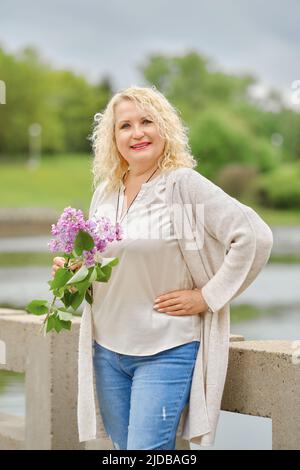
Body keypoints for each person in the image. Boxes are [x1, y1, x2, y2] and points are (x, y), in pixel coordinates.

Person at [52, 85, 273, 450]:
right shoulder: (105, 192)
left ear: (164, 128)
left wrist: (208, 295)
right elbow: (112, 265)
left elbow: (254, 237)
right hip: (107, 350)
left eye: (147, 121)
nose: (137, 133)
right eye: (125, 126)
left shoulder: (181, 186)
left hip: (165, 349)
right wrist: (76, 270)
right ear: (113, 137)